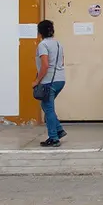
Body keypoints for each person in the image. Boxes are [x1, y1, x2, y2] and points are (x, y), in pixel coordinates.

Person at [33, 19, 67, 147]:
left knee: (48, 108)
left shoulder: (43, 45)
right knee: (46, 106)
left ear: (40, 32)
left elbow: (45, 65)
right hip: (60, 80)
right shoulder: (58, 44)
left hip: (49, 82)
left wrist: (37, 81)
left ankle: (54, 137)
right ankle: (58, 129)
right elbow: (62, 61)